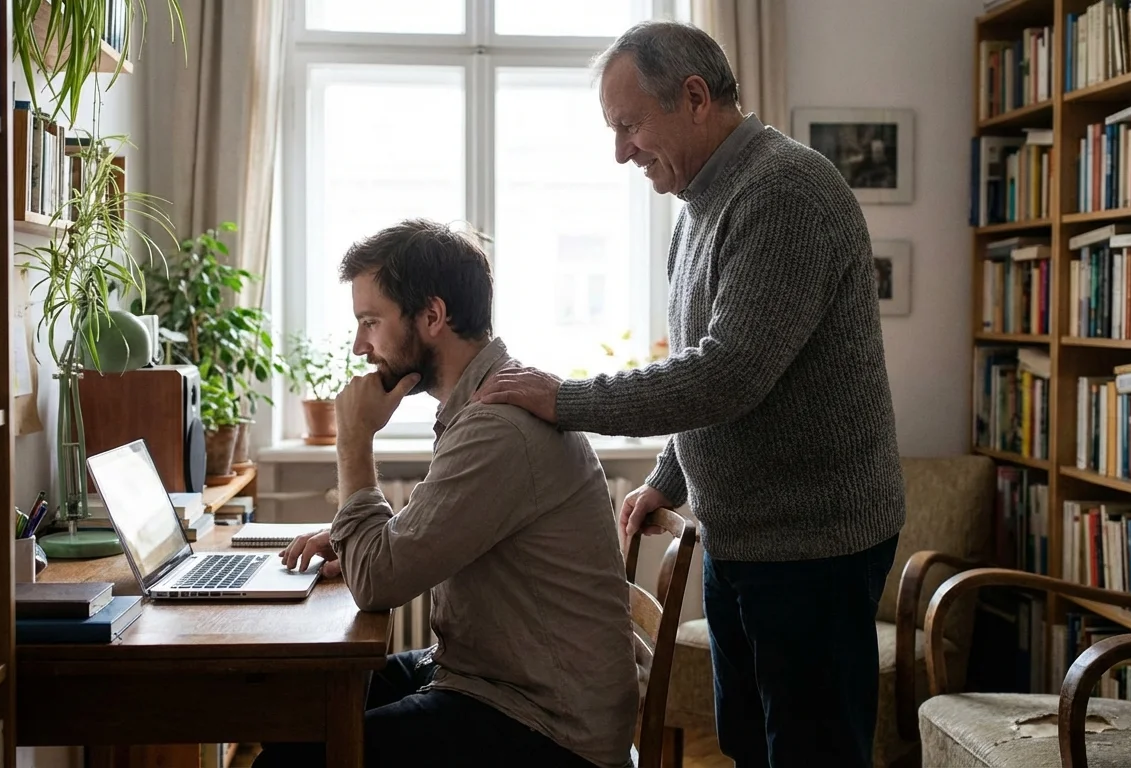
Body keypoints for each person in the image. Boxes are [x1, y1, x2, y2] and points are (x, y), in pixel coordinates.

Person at [474, 20, 905, 768]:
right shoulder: (701, 205)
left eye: (629, 125)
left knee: (811, 754)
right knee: (746, 745)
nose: (620, 151)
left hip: (815, 545)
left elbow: (729, 373)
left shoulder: (786, 192)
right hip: (743, 534)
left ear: (696, 97)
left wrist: (565, 399)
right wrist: (668, 478)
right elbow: (712, 369)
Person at [253, 219, 639, 768]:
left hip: (549, 728)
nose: (361, 346)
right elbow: (421, 537)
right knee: (294, 713)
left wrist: (354, 438)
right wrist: (358, 542)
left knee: (289, 762)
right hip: (487, 680)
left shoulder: (497, 427)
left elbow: (379, 583)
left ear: (432, 316)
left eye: (370, 322)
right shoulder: (482, 404)